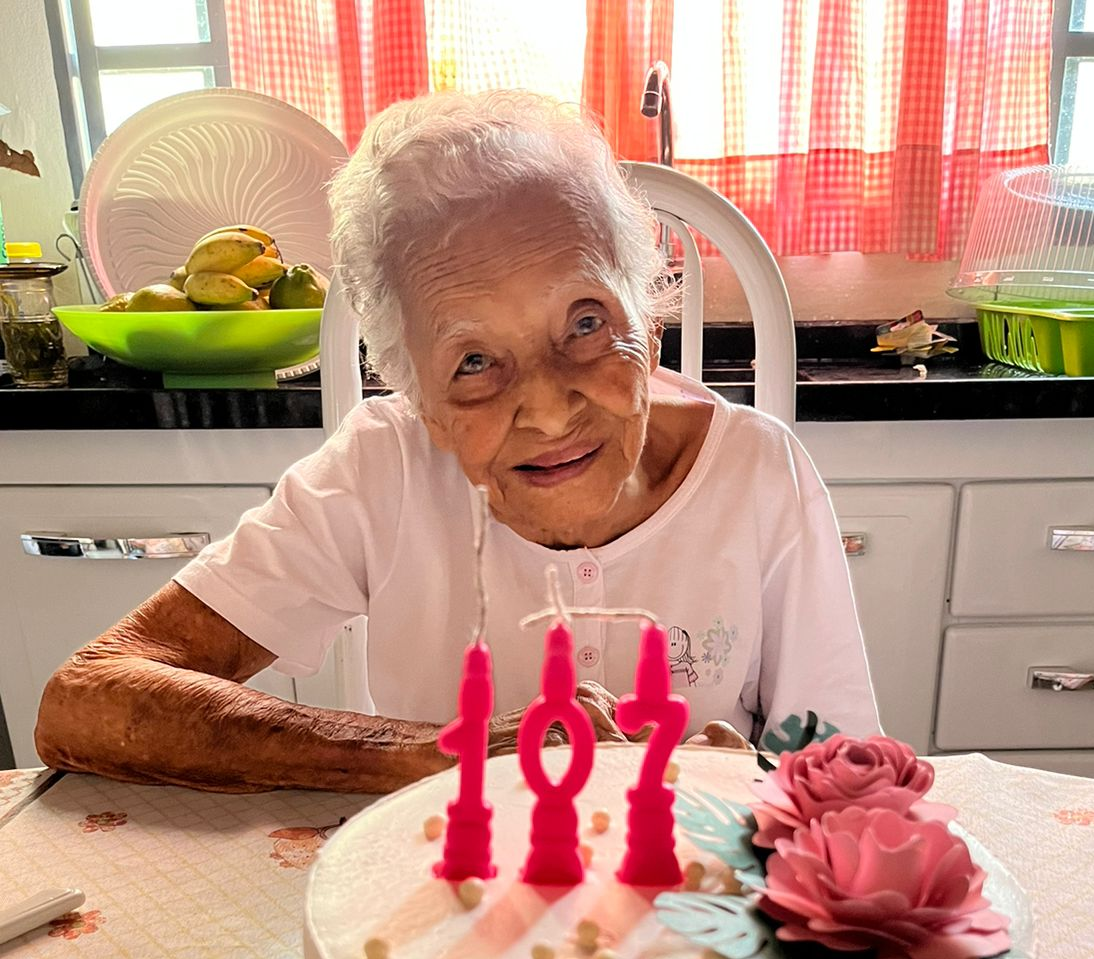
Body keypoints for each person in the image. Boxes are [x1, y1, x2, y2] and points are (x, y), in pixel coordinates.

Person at [35, 91, 877, 795]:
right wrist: (448, 753)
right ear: (418, 400)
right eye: (474, 362)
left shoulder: (760, 473)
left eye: (586, 323)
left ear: (648, 327)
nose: (547, 412)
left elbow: (845, 775)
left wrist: (749, 790)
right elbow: (85, 699)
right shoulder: (383, 468)